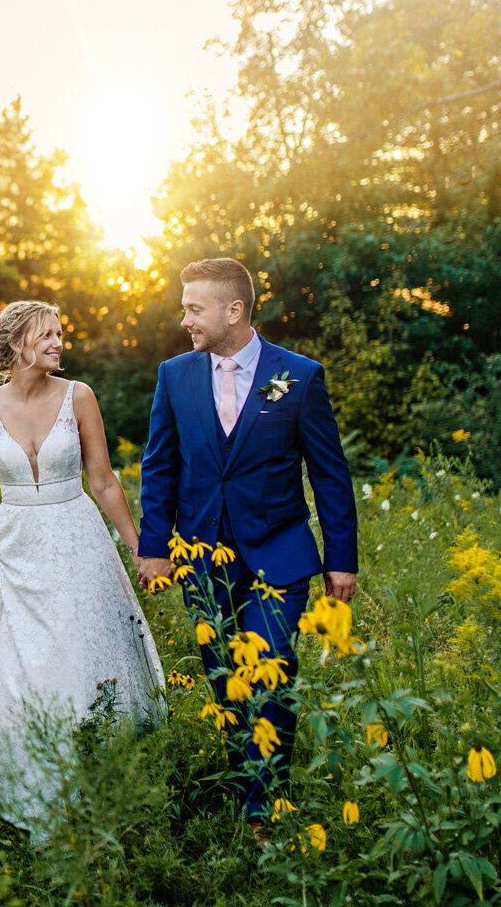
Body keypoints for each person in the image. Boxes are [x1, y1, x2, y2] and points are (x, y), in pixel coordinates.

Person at [135, 257, 358, 837]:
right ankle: (247, 786)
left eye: (193, 308)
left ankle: (266, 811)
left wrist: (341, 560)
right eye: (183, 307)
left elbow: (329, 475)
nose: (183, 318)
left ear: (234, 310)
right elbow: (160, 468)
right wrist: (154, 547)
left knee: (269, 671)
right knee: (223, 678)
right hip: (201, 558)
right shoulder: (175, 375)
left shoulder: (299, 377)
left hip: (278, 553)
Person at [0, 299, 164, 838]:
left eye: (60, 333)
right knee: (17, 673)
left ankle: (91, 790)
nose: (57, 343)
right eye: (45, 335)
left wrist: (139, 547)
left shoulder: (80, 397)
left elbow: (104, 480)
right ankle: (32, 788)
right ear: (15, 343)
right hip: (12, 547)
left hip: (76, 540)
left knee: (78, 661)